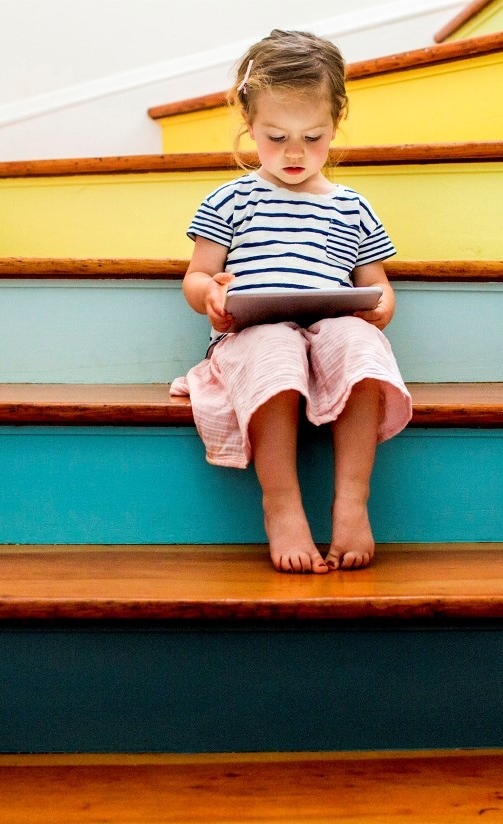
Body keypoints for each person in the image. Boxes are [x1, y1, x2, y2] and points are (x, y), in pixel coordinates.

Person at [173, 30, 411, 574]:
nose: (295, 152)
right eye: (276, 137)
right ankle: (281, 504)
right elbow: (197, 275)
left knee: (360, 341)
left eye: (314, 136)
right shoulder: (231, 198)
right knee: (276, 345)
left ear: (337, 122)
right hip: (253, 335)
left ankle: (352, 502)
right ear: (249, 125)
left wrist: (382, 308)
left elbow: (376, 282)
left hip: (328, 330)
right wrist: (209, 293)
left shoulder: (351, 205)